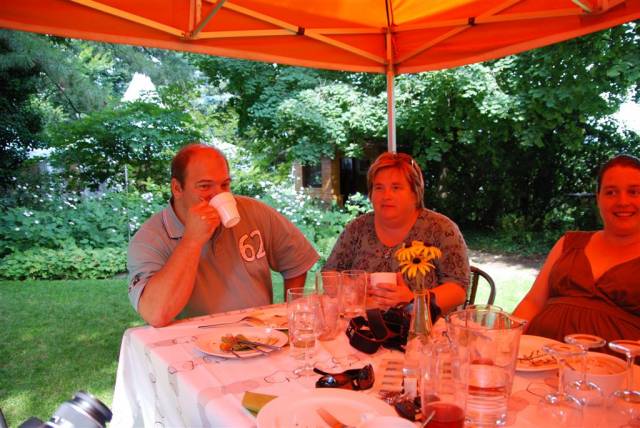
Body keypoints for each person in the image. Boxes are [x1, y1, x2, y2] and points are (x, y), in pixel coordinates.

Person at [127, 143, 319, 327]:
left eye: (224, 185)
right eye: (205, 186)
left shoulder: (252, 212)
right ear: (177, 188)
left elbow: (295, 259)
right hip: (192, 343)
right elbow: (155, 313)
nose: (218, 195)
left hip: (259, 336)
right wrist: (192, 240)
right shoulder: (150, 239)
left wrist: (291, 314)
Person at [513, 154, 640, 343]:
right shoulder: (568, 243)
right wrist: (503, 341)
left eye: (634, 192)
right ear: (598, 199)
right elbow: (532, 303)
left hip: (614, 361)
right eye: (611, 192)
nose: (622, 201)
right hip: (537, 355)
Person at [323, 152, 469, 314]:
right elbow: (329, 274)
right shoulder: (358, 228)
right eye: (379, 187)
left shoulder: (441, 229)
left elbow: (458, 289)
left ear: (415, 193)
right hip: (362, 323)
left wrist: (414, 300)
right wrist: (353, 289)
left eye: (396, 187)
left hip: (421, 324)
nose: (386, 196)